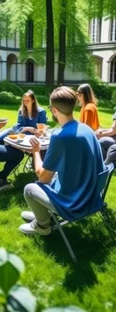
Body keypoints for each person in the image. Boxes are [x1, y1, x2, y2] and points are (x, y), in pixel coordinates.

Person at [19, 86, 105, 236]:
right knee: (55, 177)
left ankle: (42, 225)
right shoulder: (86, 129)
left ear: (53, 110)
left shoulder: (60, 136)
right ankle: (43, 214)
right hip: (91, 196)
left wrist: (36, 152)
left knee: (30, 188)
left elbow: (43, 178)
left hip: (74, 203)